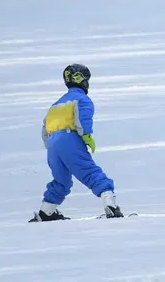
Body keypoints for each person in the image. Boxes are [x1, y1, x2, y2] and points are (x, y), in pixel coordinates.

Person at [30, 64, 124, 222]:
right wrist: (86, 137)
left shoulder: (56, 104)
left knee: (61, 180)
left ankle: (46, 211)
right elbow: (82, 119)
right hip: (69, 139)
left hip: (53, 144)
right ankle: (110, 205)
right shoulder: (81, 99)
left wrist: (53, 147)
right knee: (89, 170)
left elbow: (44, 129)